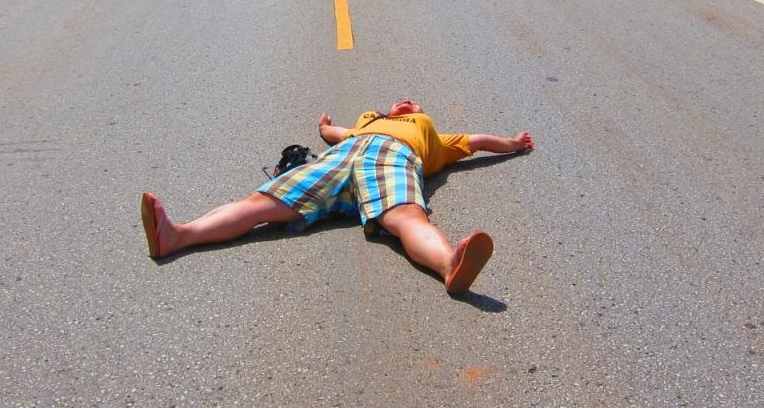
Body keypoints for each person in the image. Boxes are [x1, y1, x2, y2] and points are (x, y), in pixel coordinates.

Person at [140, 100, 534, 295]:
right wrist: (324, 126)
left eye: (413, 104)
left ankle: (449, 264)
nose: (405, 102)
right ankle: (177, 235)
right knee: (260, 204)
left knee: (407, 217)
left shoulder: (434, 137)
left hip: (391, 158)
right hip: (341, 155)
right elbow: (332, 135)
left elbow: (478, 142)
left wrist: (513, 143)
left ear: (419, 113)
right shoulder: (365, 121)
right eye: (400, 102)